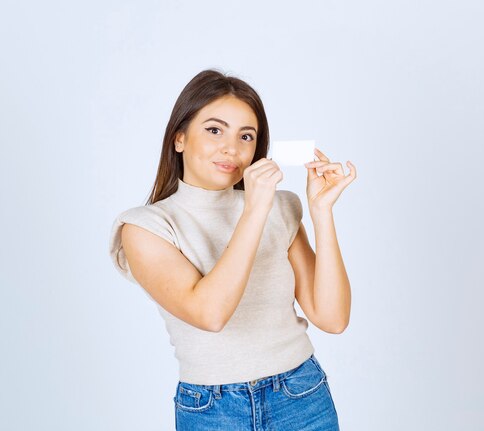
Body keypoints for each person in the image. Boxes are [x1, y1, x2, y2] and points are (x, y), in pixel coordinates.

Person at [108, 68, 357, 430]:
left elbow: (332, 318)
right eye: (213, 130)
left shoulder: (280, 207)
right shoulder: (145, 227)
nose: (232, 148)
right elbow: (210, 313)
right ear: (179, 138)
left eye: (246, 136)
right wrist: (254, 210)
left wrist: (321, 212)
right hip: (213, 410)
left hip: (301, 396)